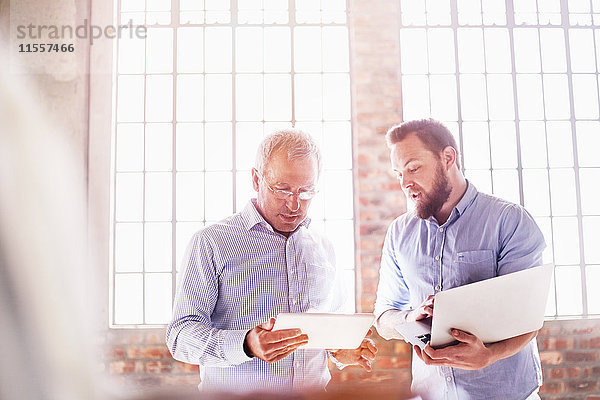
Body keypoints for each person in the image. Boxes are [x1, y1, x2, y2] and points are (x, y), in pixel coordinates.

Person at [166, 129, 377, 393]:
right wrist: (246, 344)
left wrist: (342, 351)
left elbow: (331, 330)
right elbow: (180, 336)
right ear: (256, 179)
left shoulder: (325, 248)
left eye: (306, 191)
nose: (293, 204)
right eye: (282, 189)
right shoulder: (211, 243)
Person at [374, 119, 546, 400]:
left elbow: (528, 318)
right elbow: (383, 318)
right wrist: (411, 317)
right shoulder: (399, 233)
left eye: (413, 168)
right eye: (398, 174)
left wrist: (489, 355)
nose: (405, 183)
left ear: (448, 158)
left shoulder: (508, 220)